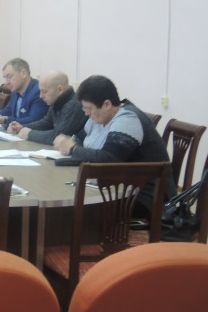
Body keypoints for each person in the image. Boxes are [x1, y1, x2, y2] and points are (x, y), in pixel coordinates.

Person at [53, 75, 171, 217]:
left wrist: (72, 149)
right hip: (118, 186)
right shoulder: (99, 117)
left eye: (89, 108)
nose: (87, 114)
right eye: (85, 109)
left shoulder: (128, 119)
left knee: (72, 211)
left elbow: (109, 160)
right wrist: (71, 145)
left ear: (107, 104)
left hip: (145, 196)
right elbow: (79, 138)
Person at [8, 70, 87, 145]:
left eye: (44, 91)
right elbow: (46, 123)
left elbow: (59, 136)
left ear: (60, 89)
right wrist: (22, 127)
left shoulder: (74, 105)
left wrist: (29, 134)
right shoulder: (56, 99)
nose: (41, 96)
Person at [0, 58, 48, 126]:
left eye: (9, 76)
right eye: (5, 78)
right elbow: (7, 111)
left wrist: (5, 120)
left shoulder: (38, 92)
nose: (6, 82)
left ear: (24, 73)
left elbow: (33, 121)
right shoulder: (16, 90)